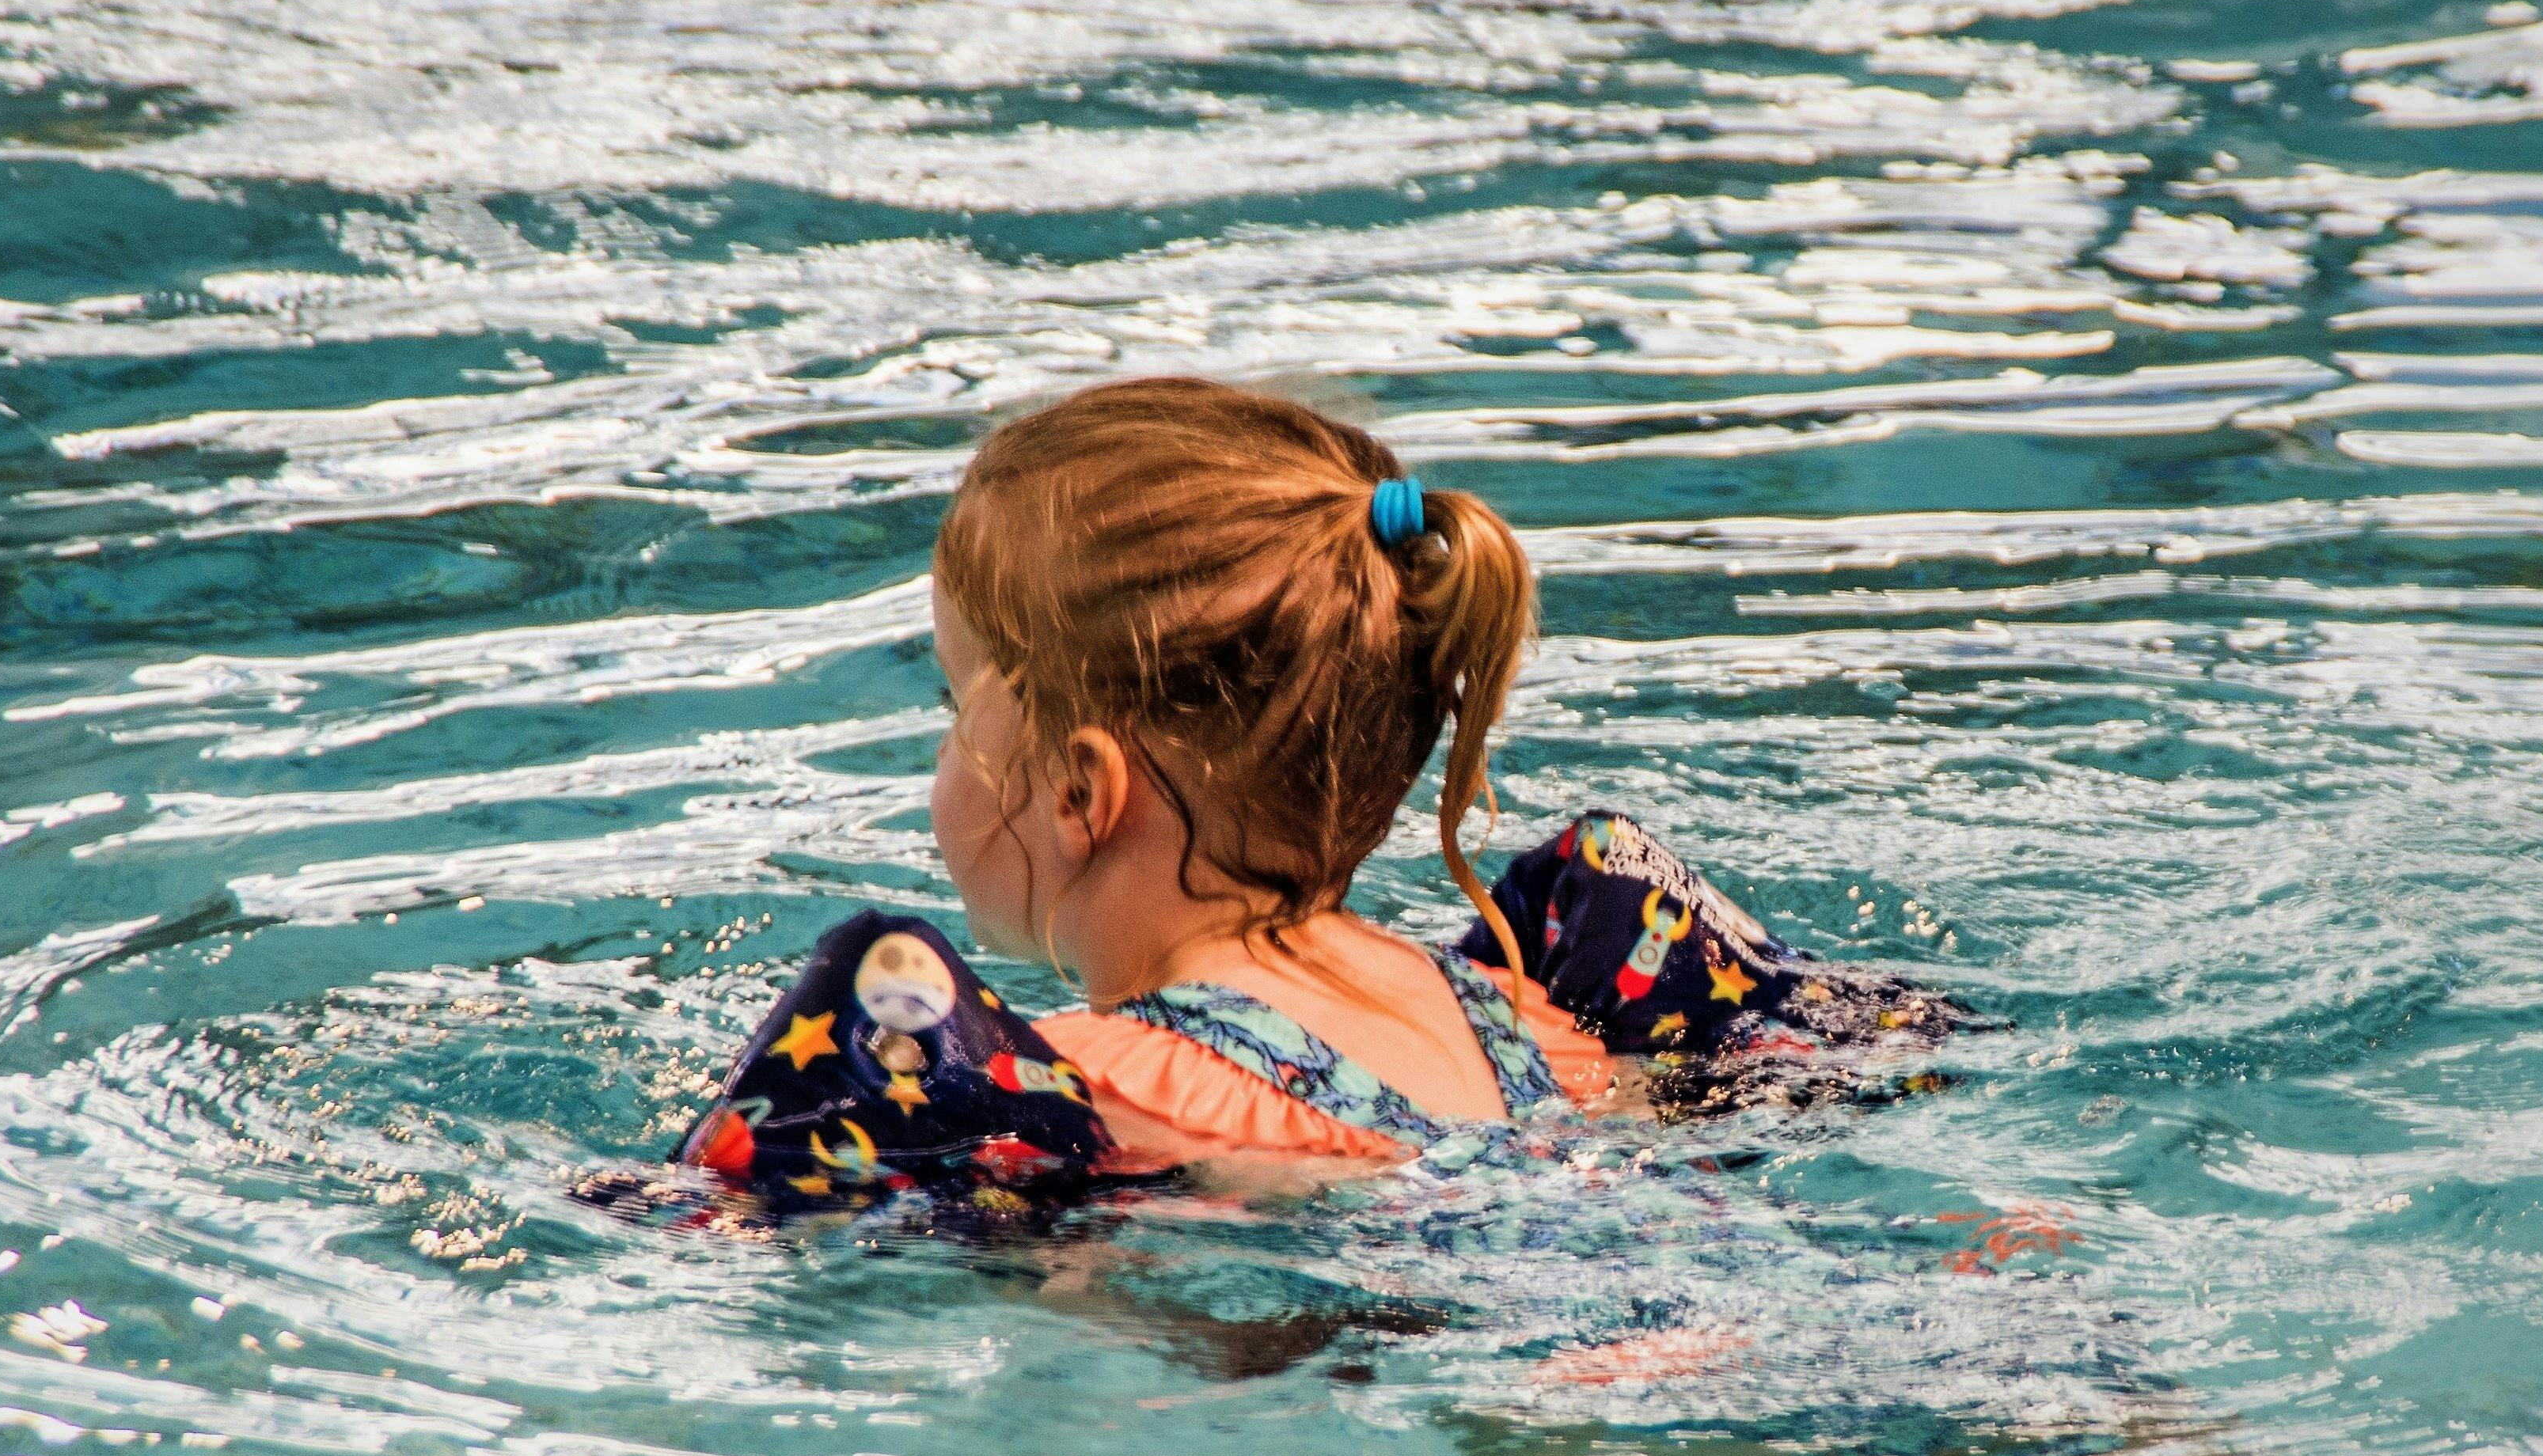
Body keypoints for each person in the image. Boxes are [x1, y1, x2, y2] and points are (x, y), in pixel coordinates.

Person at [666, 377, 1965, 1211]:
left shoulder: (1095, 1084)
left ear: (1077, 790)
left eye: (957, 708)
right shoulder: (1524, 1012)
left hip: (1522, 1373)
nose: (942, 757)